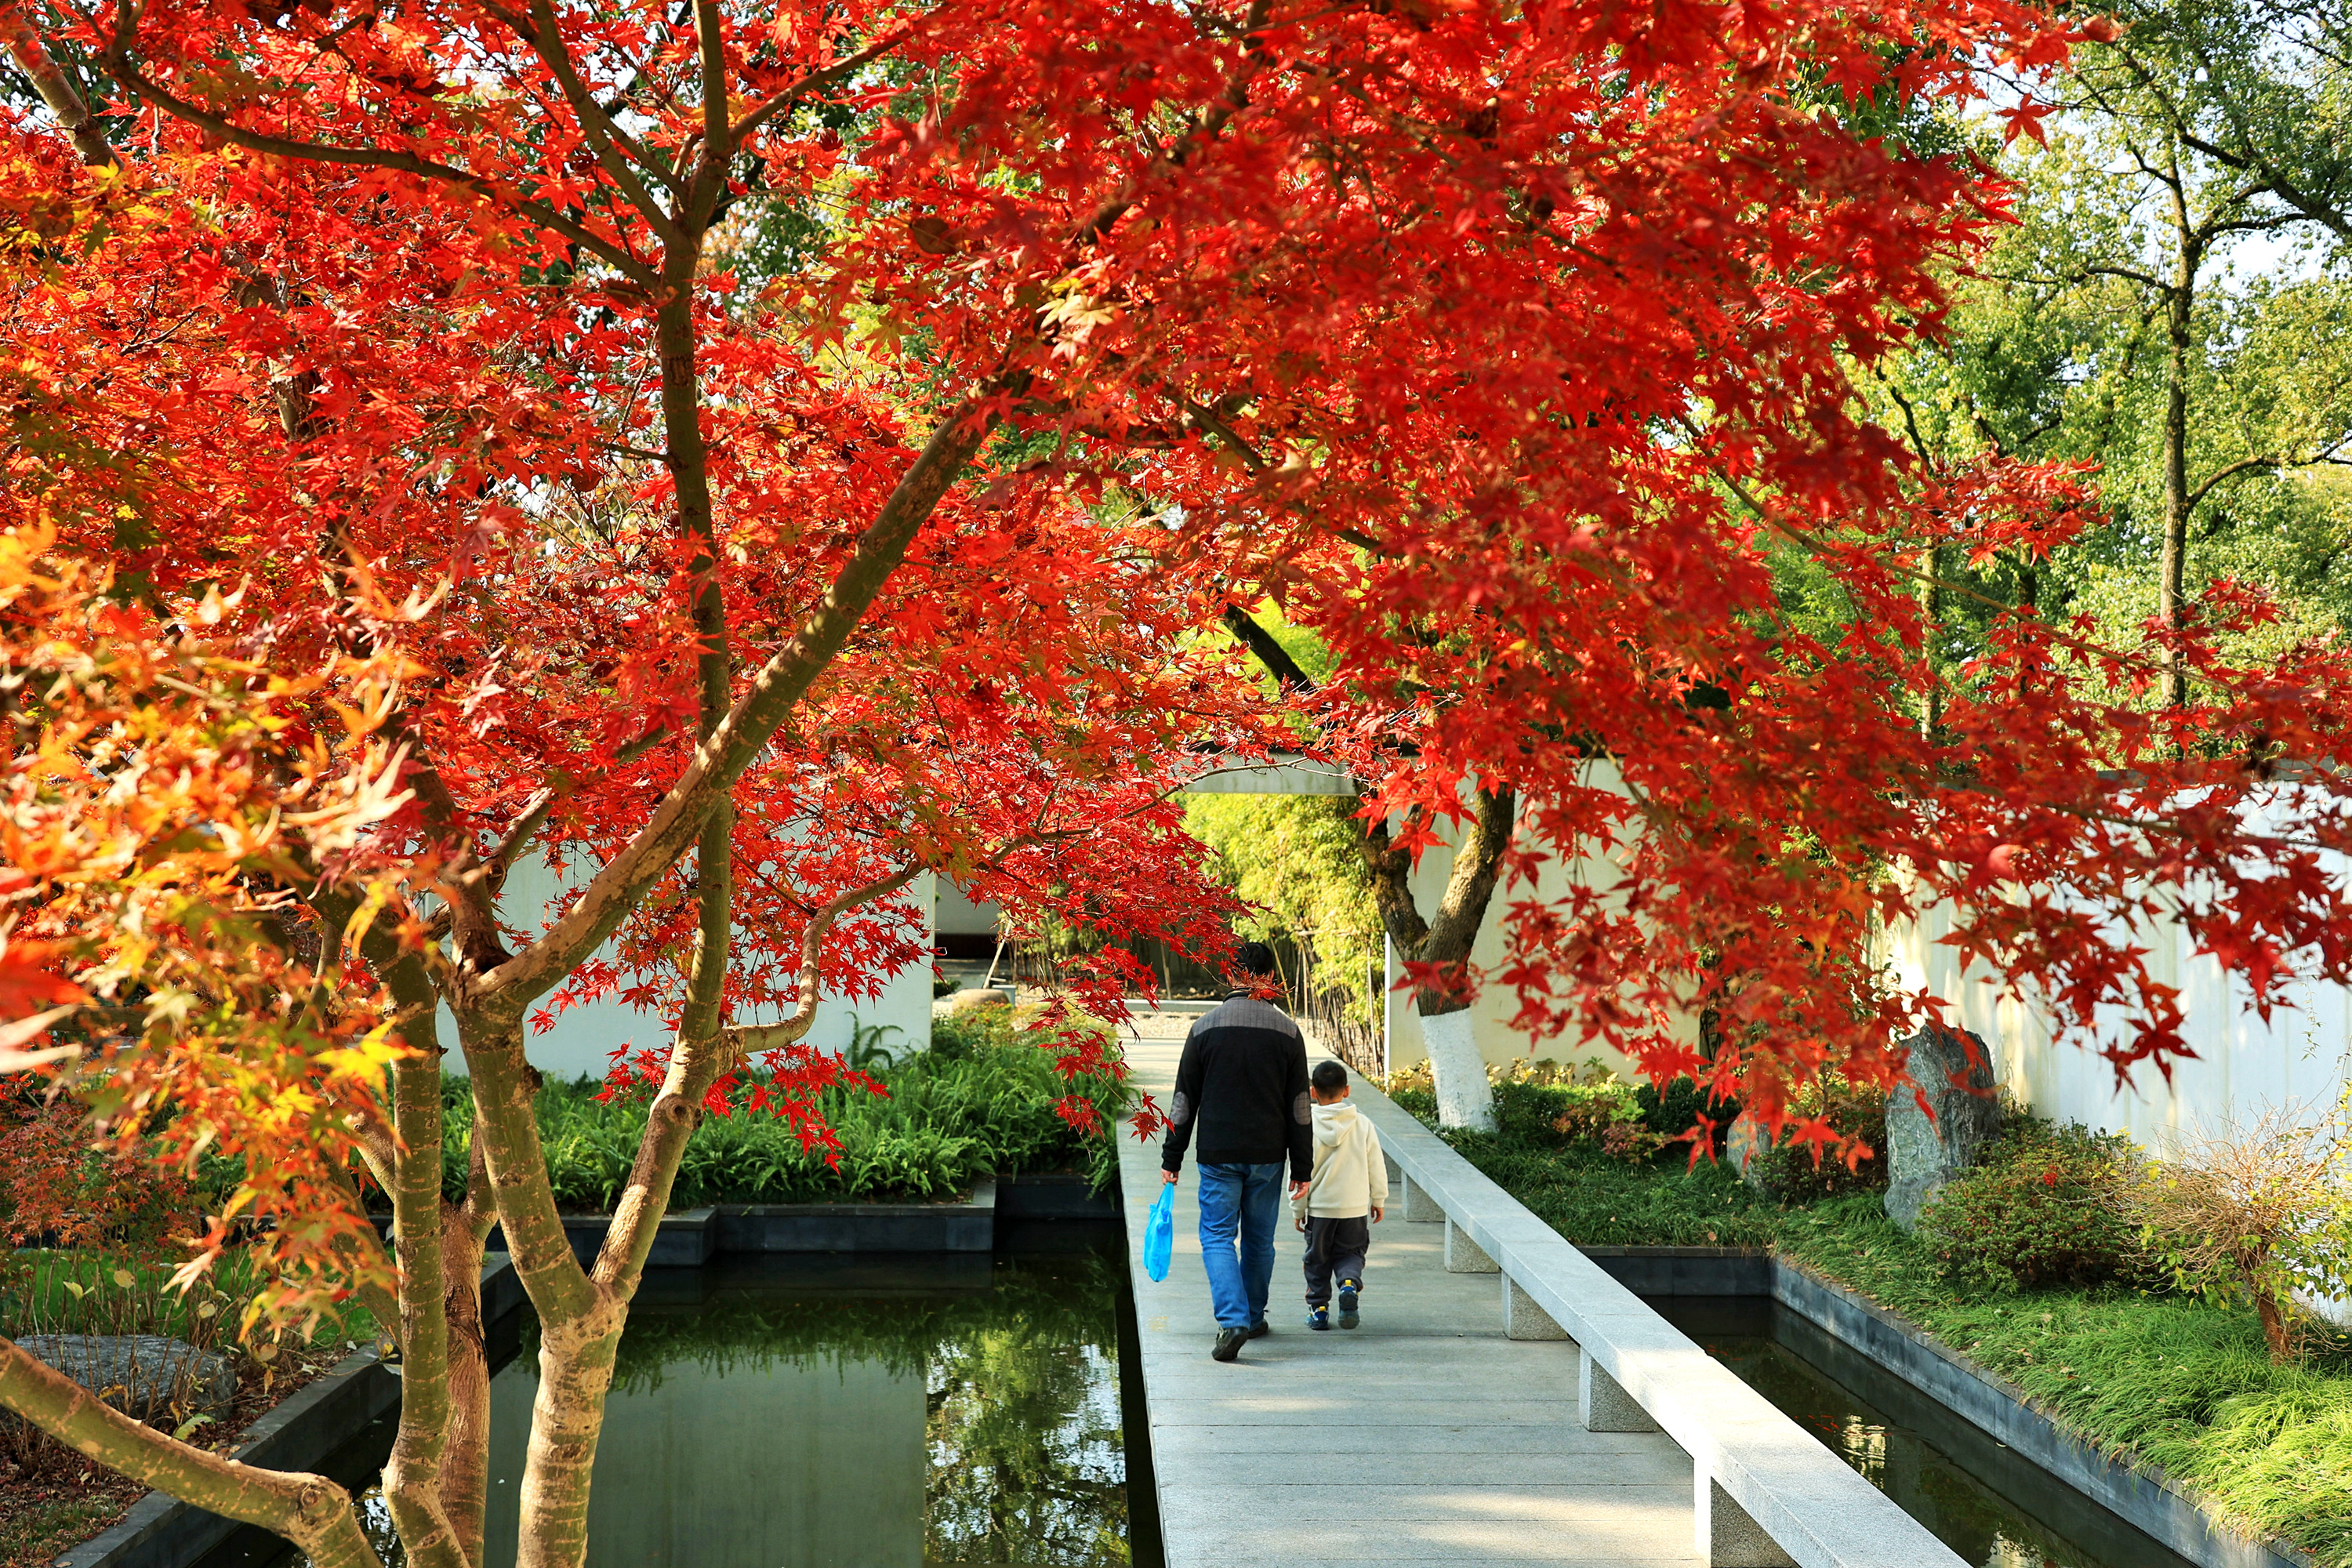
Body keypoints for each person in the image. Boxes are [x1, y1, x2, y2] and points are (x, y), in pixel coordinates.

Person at [1160, 941, 1312, 1363]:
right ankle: (1253, 1315)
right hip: (1268, 1155)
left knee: (1216, 1235)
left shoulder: (1204, 1028)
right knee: (1261, 1240)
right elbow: (1300, 1105)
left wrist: (1171, 1158)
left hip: (1218, 1153)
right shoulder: (1287, 1031)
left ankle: (1233, 1321)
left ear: (1231, 975)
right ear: (1269, 980)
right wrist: (1303, 1165)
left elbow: (1182, 1102)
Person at [1292, 1059, 1387, 1330]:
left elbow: (1298, 1171)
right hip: (1354, 1208)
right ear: (1347, 1090)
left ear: (1312, 1091)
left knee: (1316, 1260)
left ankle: (1319, 1310)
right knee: (1352, 1252)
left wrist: (1298, 1210)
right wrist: (1378, 1199)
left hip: (1319, 1209)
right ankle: (1348, 1283)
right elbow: (1375, 1165)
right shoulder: (1363, 1124)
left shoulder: (1305, 1125)